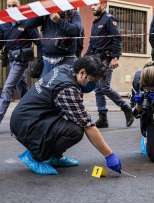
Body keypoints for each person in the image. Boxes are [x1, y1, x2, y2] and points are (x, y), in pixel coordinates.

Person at [10, 56, 121, 175]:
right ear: (82, 73)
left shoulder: (65, 69)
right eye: (93, 80)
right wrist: (109, 155)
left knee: (72, 122)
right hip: (26, 122)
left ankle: (54, 156)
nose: (93, 85)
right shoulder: (67, 88)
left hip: (29, 116)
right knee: (74, 131)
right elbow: (88, 125)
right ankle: (34, 156)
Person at [85, 0, 134, 128]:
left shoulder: (108, 19)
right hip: (96, 59)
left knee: (104, 87)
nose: (93, 7)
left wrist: (115, 57)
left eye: (96, 4)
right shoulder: (95, 22)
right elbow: (92, 43)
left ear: (104, 5)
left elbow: (117, 38)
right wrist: (84, 59)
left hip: (106, 58)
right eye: (92, 5)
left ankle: (126, 108)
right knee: (98, 90)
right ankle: (103, 118)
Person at [0, 0, 41, 123]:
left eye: (14, 5)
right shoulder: (3, 24)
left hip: (21, 60)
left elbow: (39, 42)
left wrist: (41, 60)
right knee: (21, 85)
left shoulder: (27, 22)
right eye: (9, 6)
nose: (12, 8)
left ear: (20, 7)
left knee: (7, 88)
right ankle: (32, 110)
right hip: (11, 59)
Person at [24, 9, 82, 77]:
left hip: (66, 60)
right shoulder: (45, 14)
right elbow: (28, 24)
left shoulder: (73, 13)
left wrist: (59, 21)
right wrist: (41, 10)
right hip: (47, 61)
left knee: (64, 85)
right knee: (45, 86)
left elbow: (76, 31)